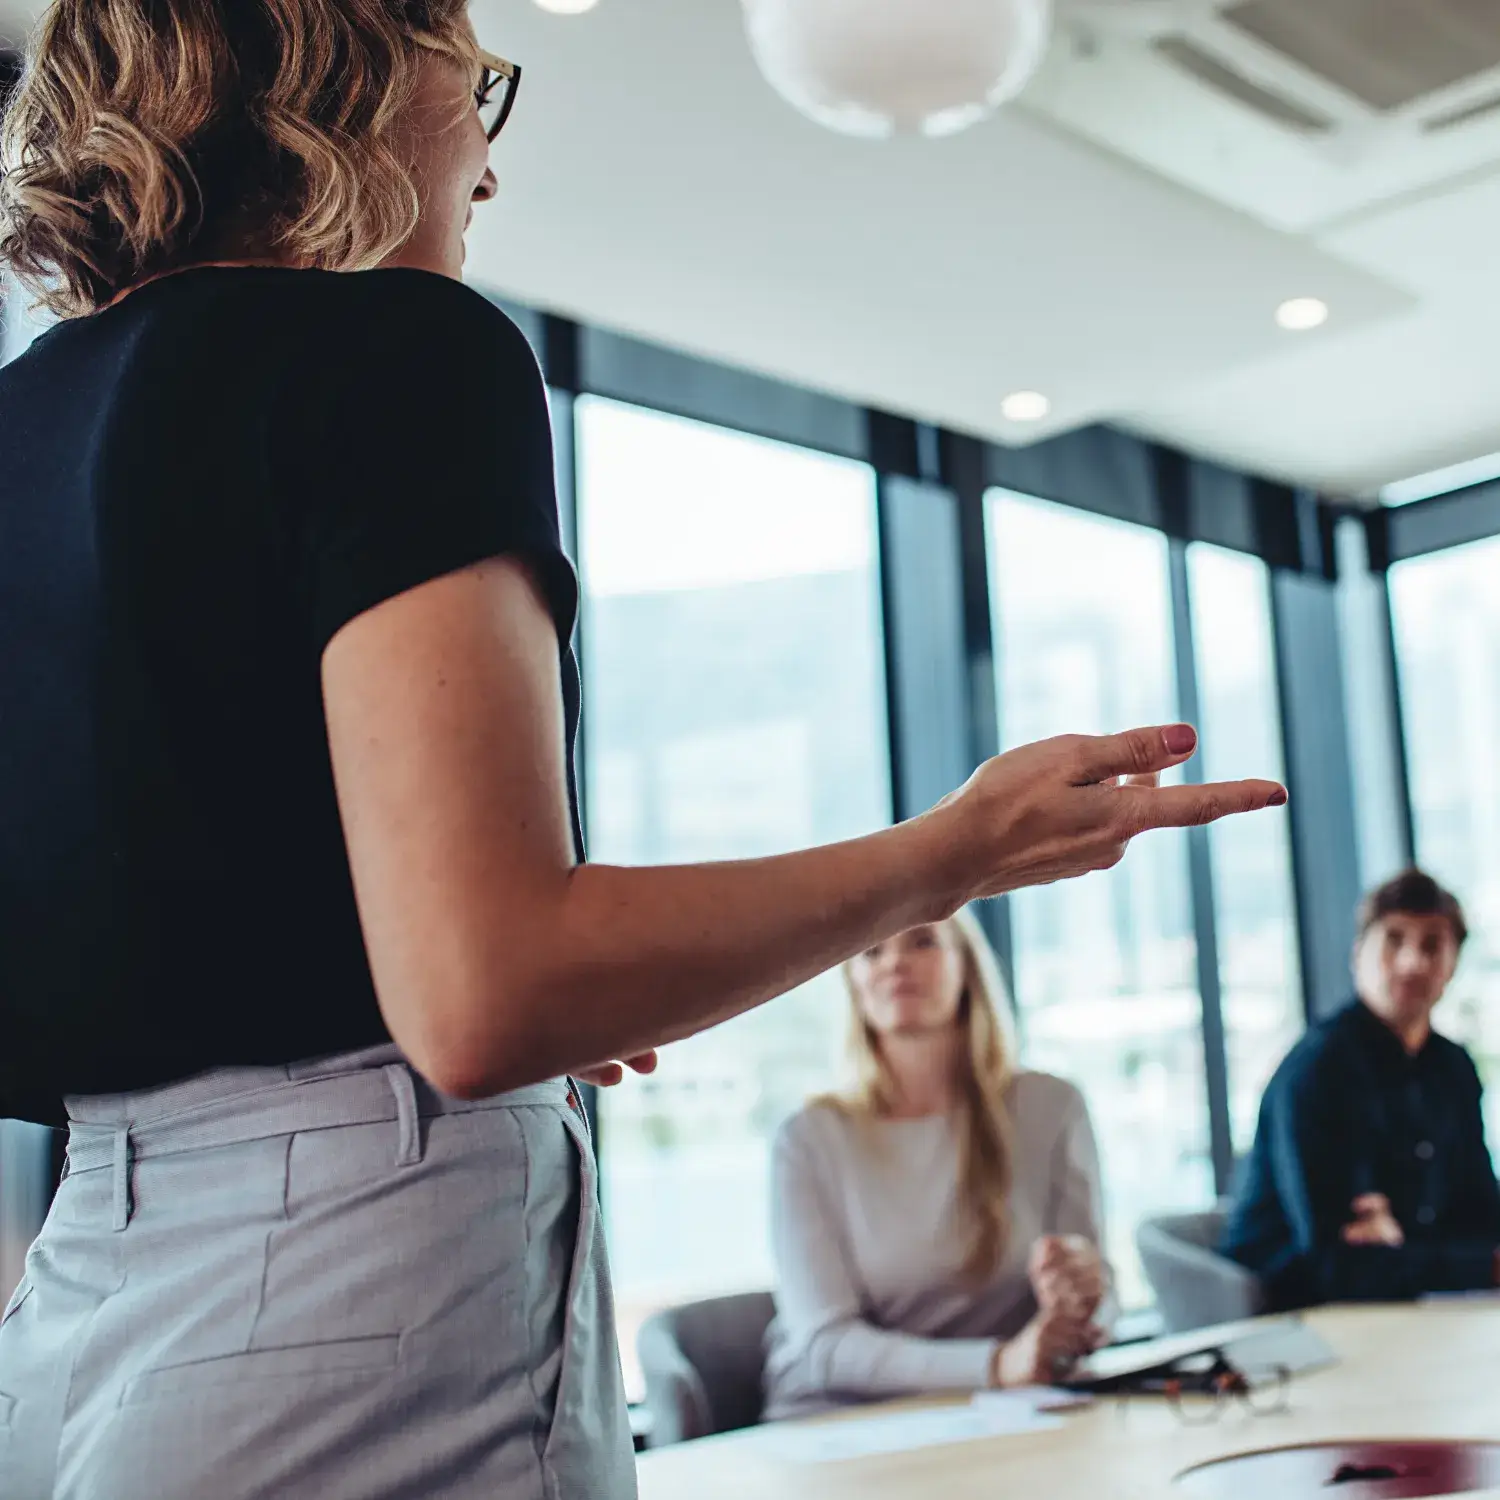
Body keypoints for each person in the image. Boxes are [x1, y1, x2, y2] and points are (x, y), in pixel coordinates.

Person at [0, 1, 1285, 1495]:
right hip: (353, 1273)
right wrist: (957, 851)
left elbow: (161, 896)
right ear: (340, 65)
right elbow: (484, 998)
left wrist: (418, 973)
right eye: (474, 79)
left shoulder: (26, 424)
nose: (486, 162)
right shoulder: (404, 354)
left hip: (78, 1288)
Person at [763, 912, 1110, 1419]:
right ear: (854, 983)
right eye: (871, 951)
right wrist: (997, 1365)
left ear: (968, 968)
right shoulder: (808, 1138)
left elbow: (1099, 1291)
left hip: (1006, 1409)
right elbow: (826, 1346)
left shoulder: (1052, 1106)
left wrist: (1084, 1303)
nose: (896, 963)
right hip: (841, 1416)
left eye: (923, 942)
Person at [1222, 870, 1500, 1310]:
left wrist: (1410, 1240)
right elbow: (1335, 1260)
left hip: (1411, 1301)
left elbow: (1478, 1210)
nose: (1412, 962)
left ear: (1454, 964)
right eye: (1393, 940)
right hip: (1295, 1312)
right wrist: (1476, 1262)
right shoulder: (1316, 1071)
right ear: (1357, 954)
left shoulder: (1453, 1067)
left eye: (1432, 945)